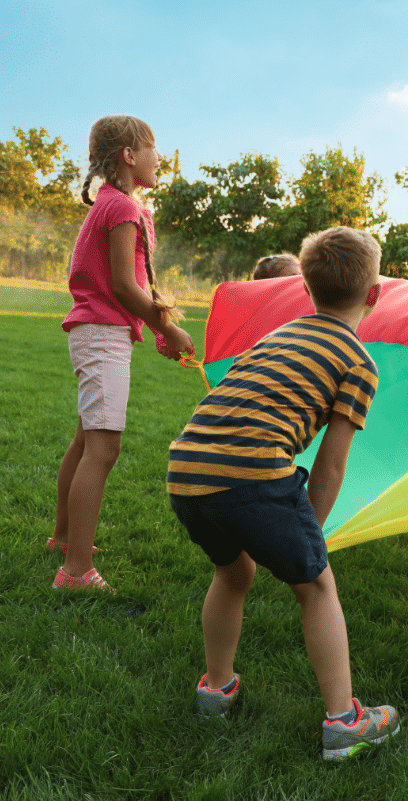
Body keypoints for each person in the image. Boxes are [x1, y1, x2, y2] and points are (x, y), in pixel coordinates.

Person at [167, 226, 400, 760]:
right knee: (316, 587)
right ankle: (345, 722)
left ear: (306, 290)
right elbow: (332, 464)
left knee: (233, 572)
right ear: (374, 294)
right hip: (253, 474)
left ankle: (216, 689)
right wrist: (309, 539)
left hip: (187, 467)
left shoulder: (278, 335)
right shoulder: (358, 361)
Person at [51, 115, 195, 594]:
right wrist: (168, 328)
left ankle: (65, 538)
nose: (159, 157)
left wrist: (151, 324)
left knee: (84, 441)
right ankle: (74, 572)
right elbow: (121, 284)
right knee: (103, 449)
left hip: (99, 330)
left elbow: (126, 286)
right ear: (129, 156)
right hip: (103, 334)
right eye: (152, 148)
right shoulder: (121, 208)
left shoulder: (115, 204)